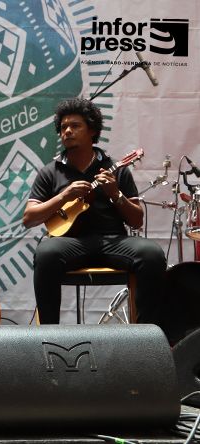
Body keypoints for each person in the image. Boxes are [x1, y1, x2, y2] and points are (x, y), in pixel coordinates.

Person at [23, 97, 166, 328]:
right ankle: (49, 337)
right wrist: (63, 196)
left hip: (113, 240)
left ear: (92, 131)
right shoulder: (51, 172)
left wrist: (115, 193)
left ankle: (147, 336)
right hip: (69, 242)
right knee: (46, 253)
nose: (67, 131)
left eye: (75, 126)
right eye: (63, 128)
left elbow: (137, 220)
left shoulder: (115, 169)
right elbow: (29, 218)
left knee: (152, 254)